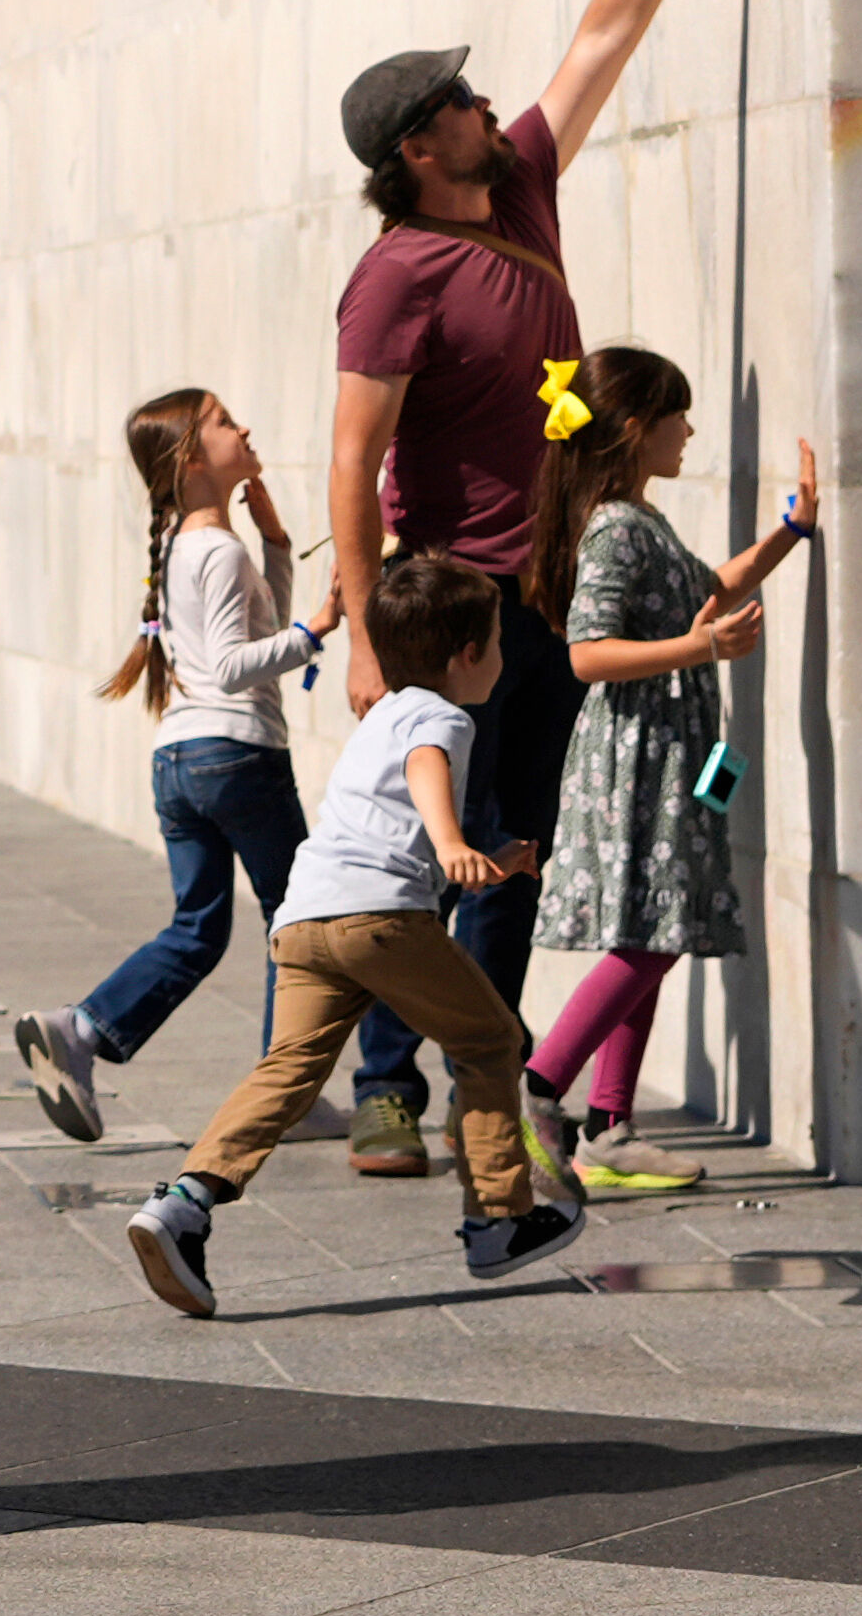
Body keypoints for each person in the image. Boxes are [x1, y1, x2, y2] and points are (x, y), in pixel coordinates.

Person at [323, 0, 745, 1176]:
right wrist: (360, 631)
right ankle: (384, 1082)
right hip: (444, 594)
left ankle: (481, 1083)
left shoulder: (516, 185)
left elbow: (600, 33)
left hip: (545, 590)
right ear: (411, 146)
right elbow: (352, 449)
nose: (481, 96)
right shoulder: (392, 275)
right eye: (452, 98)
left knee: (506, 849)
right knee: (410, 848)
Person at [122, 553, 585, 1314]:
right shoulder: (443, 715)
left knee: (287, 1070)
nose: (504, 658)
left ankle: (182, 1202)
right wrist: (448, 840)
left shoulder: (382, 714)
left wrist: (485, 858)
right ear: (467, 656)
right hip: (381, 920)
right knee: (489, 1039)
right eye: (498, 642)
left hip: (305, 918)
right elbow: (428, 766)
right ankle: (499, 1216)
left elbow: (389, 806)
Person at [522, 347, 815, 1192]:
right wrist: (701, 645)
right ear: (632, 428)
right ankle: (540, 1089)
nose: (690, 430)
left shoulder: (638, 518)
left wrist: (788, 533)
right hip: (640, 758)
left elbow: (708, 590)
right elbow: (586, 653)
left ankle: (611, 1125)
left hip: (672, 751)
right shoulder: (616, 524)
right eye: (677, 415)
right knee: (654, 932)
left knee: (652, 929)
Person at [11, 390, 330, 1143]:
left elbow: (253, 631)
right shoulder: (214, 550)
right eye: (224, 421)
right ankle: (285, 1095)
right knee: (302, 920)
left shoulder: (199, 545)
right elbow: (234, 664)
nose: (244, 426)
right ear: (190, 458)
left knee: (200, 927)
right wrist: (318, 629)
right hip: (237, 754)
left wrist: (278, 545)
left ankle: (81, 1030)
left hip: (181, 761)